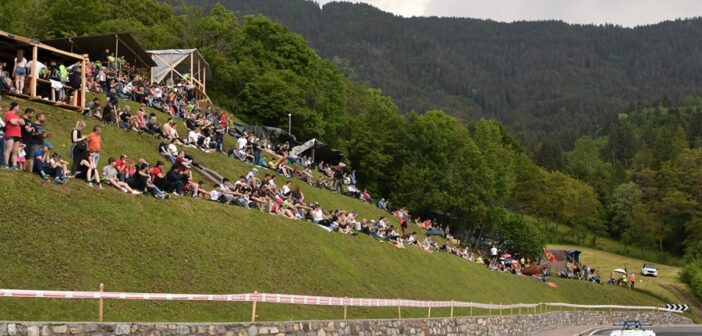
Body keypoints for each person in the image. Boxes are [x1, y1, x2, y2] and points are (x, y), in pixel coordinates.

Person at [2, 102, 26, 169]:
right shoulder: (8, 113)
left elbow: (23, 123)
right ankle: (6, 164)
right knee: (9, 149)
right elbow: (12, 122)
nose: (19, 108)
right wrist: (18, 121)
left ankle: (14, 166)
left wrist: (16, 121)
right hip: (10, 133)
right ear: (14, 107)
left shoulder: (17, 116)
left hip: (18, 135)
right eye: (18, 106)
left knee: (15, 151)